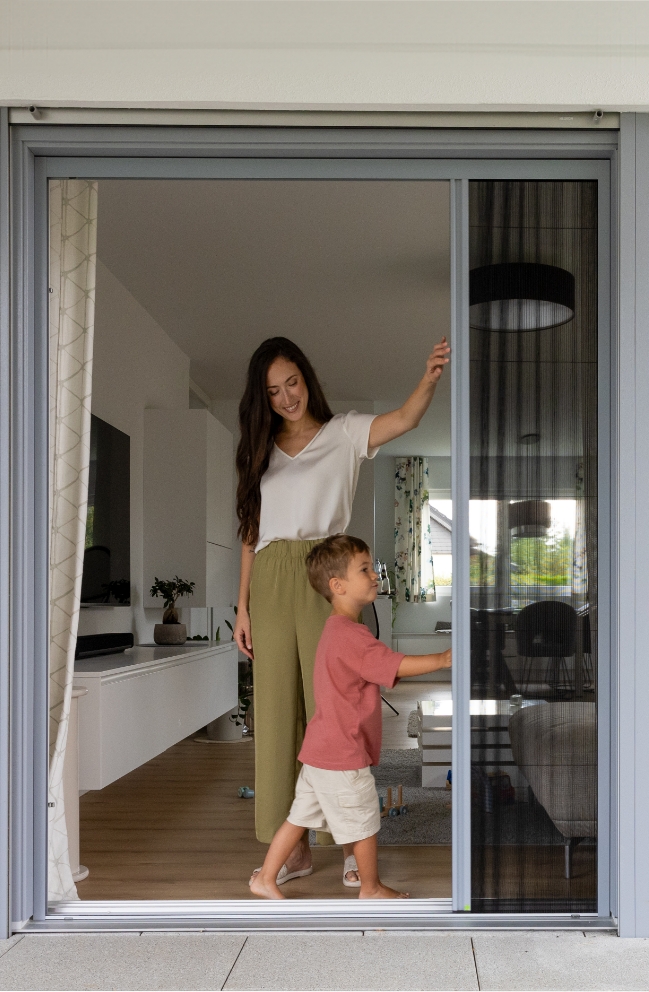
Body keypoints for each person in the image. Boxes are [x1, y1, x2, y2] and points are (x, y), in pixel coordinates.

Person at [233, 334, 449, 886]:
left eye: (293, 383)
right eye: (274, 391)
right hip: (271, 580)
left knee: (335, 709)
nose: (286, 398)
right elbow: (251, 534)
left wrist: (428, 378)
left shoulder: (342, 433)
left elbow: (403, 419)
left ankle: (352, 846)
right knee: (279, 714)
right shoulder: (257, 451)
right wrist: (242, 607)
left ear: (307, 378)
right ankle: (296, 848)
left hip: (323, 573)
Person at [250, 534, 451, 899]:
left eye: (372, 567)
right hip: (343, 753)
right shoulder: (353, 637)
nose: (374, 575)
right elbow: (394, 665)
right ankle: (370, 888)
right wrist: (441, 660)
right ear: (337, 586)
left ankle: (265, 878)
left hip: (320, 749)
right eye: (364, 569)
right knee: (364, 821)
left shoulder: (333, 629)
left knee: (299, 818)